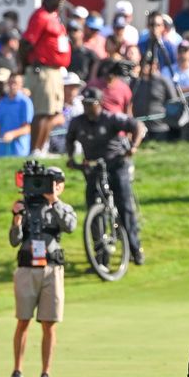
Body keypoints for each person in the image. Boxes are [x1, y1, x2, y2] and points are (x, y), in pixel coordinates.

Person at [8, 160, 77, 377]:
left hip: (52, 269)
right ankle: (17, 372)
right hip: (27, 268)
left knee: (50, 324)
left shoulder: (62, 207)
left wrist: (53, 202)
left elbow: (69, 226)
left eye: (55, 183)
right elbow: (14, 240)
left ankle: (46, 374)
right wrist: (17, 218)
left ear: (61, 186)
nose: (49, 187)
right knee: (23, 321)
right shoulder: (25, 206)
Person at [68, 88, 148, 265]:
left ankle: (135, 249)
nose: (87, 107)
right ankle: (100, 257)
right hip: (93, 167)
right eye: (84, 104)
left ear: (99, 103)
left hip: (116, 164)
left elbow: (138, 126)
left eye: (90, 104)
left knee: (125, 206)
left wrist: (133, 147)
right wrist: (71, 158)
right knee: (93, 209)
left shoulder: (111, 118)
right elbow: (70, 139)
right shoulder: (77, 122)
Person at [22, 0, 74, 156]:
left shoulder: (54, 17)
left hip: (55, 70)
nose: (61, 3)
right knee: (42, 112)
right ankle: (35, 149)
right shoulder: (41, 16)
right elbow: (26, 44)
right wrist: (25, 66)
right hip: (43, 70)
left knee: (51, 112)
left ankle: (41, 148)